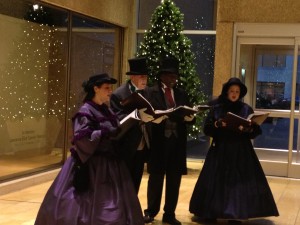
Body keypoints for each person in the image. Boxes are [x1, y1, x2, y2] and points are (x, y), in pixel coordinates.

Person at [34, 73, 144, 225]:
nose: (110, 91)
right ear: (95, 89)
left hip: (111, 164)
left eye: (111, 88)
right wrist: (104, 133)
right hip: (92, 164)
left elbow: (115, 130)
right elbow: (82, 139)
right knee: (87, 204)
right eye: (106, 88)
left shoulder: (107, 110)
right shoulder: (86, 111)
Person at [189, 77, 279, 224]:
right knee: (216, 181)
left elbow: (253, 133)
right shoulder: (217, 108)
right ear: (226, 92)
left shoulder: (246, 109)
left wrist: (251, 127)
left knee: (238, 183)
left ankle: (236, 213)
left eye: (237, 91)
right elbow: (207, 129)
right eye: (231, 91)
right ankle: (211, 212)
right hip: (221, 150)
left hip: (241, 152)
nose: (234, 93)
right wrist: (218, 124)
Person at [143, 57, 195, 225]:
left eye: (175, 76)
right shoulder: (151, 92)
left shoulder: (181, 94)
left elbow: (190, 116)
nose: (174, 79)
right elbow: (147, 114)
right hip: (158, 141)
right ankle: (151, 211)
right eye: (171, 76)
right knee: (156, 178)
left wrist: (190, 117)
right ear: (162, 76)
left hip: (177, 142)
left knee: (174, 179)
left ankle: (170, 214)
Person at [110, 57, 152, 193]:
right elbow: (117, 119)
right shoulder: (119, 94)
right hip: (126, 145)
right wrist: (137, 116)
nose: (144, 80)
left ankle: (132, 211)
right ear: (133, 76)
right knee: (123, 183)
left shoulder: (148, 92)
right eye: (141, 76)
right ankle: (122, 212)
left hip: (142, 143)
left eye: (146, 76)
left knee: (136, 181)